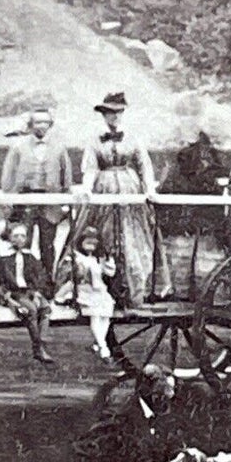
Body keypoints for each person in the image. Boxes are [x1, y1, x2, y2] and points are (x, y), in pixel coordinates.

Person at [79, 92, 170, 307]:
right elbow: (90, 168)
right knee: (104, 236)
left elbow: (144, 166)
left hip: (130, 190)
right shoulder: (94, 140)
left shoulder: (133, 138)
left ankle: (135, 291)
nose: (114, 117)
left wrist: (149, 189)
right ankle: (104, 289)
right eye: (110, 113)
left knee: (133, 239)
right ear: (104, 116)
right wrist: (86, 189)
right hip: (105, 190)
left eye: (118, 112)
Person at [69, 364, 205, 462]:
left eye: (170, 395)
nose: (167, 403)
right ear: (146, 392)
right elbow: (83, 453)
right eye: (161, 396)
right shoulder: (119, 417)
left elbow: (165, 448)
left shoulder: (162, 414)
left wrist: (183, 453)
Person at [0, 107, 74, 282]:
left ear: (50, 125)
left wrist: (65, 201)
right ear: (31, 125)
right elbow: (8, 176)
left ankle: (48, 283)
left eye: (45, 122)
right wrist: (9, 200)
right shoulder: (18, 147)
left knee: (47, 246)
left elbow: (66, 176)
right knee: (22, 242)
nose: (41, 126)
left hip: (50, 203)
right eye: (37, 122)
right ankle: (22, 282)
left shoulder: (59, 148)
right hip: (25, 202)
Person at [0, 221, 54, 364]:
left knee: (45, 308)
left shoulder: (30, 257)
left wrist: (37, 293)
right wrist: (8, 298)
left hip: (30, 291)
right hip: (15, 293)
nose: (19, 239)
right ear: (9, 237)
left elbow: (38, 277)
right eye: (16, 236)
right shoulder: (4, 259)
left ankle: (41, 343)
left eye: (23, 236)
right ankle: (38, 348)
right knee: (30, 310)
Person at [71, 227, 118, 363]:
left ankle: (98, 342)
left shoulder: (99, 258)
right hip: (85, 290)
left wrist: (109, 259)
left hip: (100, 290)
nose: (91, 247)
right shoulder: (78, 257)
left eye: (94, 244)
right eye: (87, 243)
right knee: (96, 316)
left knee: (106, 315)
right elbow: (78, 274)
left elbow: (110, 273)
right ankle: (104, 349)